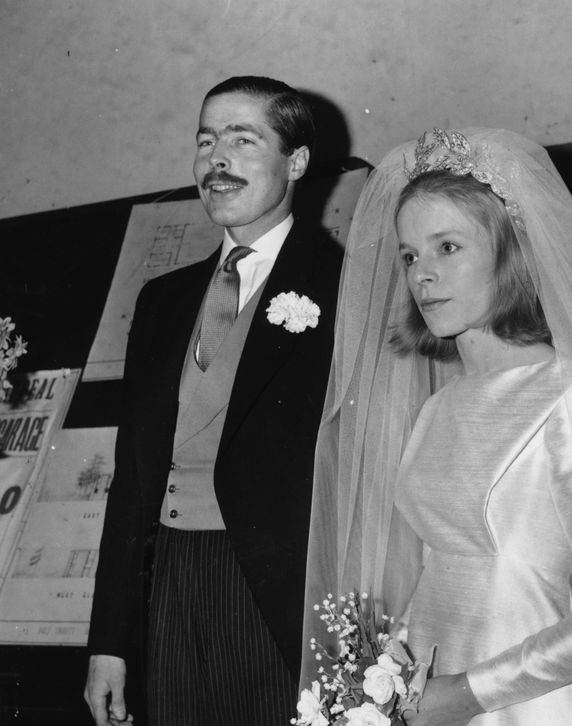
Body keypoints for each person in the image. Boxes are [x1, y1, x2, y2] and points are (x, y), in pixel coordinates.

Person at [302, 128, 572, 725]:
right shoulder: (437, 408)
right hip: (427, 695)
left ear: (509, 253)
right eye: (410, 254)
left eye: (448, 247)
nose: (421, 274)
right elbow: (437, 573)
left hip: (531, 701)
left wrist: (467, 695)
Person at [84, 76, 343, 726]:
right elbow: (133, 483)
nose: (215, 160)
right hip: (172, 587)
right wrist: (109, 643)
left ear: (298, 160)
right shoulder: (162, 301)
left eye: (241, 139)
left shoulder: (344, 285)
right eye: (205, 142)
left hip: (282, 596)